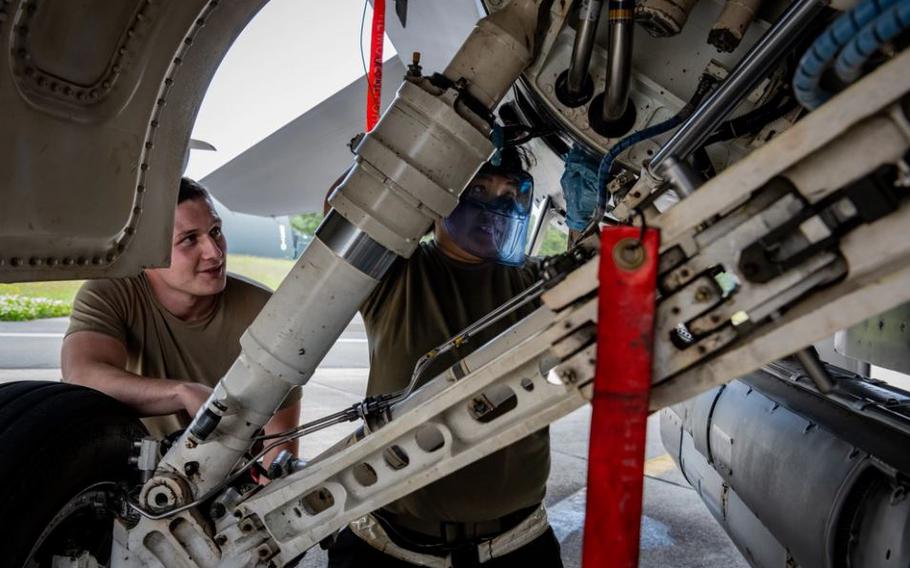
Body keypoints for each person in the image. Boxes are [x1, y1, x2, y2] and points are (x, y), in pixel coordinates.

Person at [329, 146, 563, 567]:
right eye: (479, 188)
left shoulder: (533, 282)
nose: (499, 203)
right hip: (391, 546)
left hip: (516, 545)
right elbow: (342, 208)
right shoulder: (395, 274)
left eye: (511, 190)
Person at [61, 178, 300, 461]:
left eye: (216, 231)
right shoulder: (112, 293)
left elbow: (280, 443)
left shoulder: (266, 310)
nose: (215, 252)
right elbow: (82, 376)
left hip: (227, 484)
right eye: (189, 239)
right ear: (148, 250)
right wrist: (181, 393)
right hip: (126, 472)